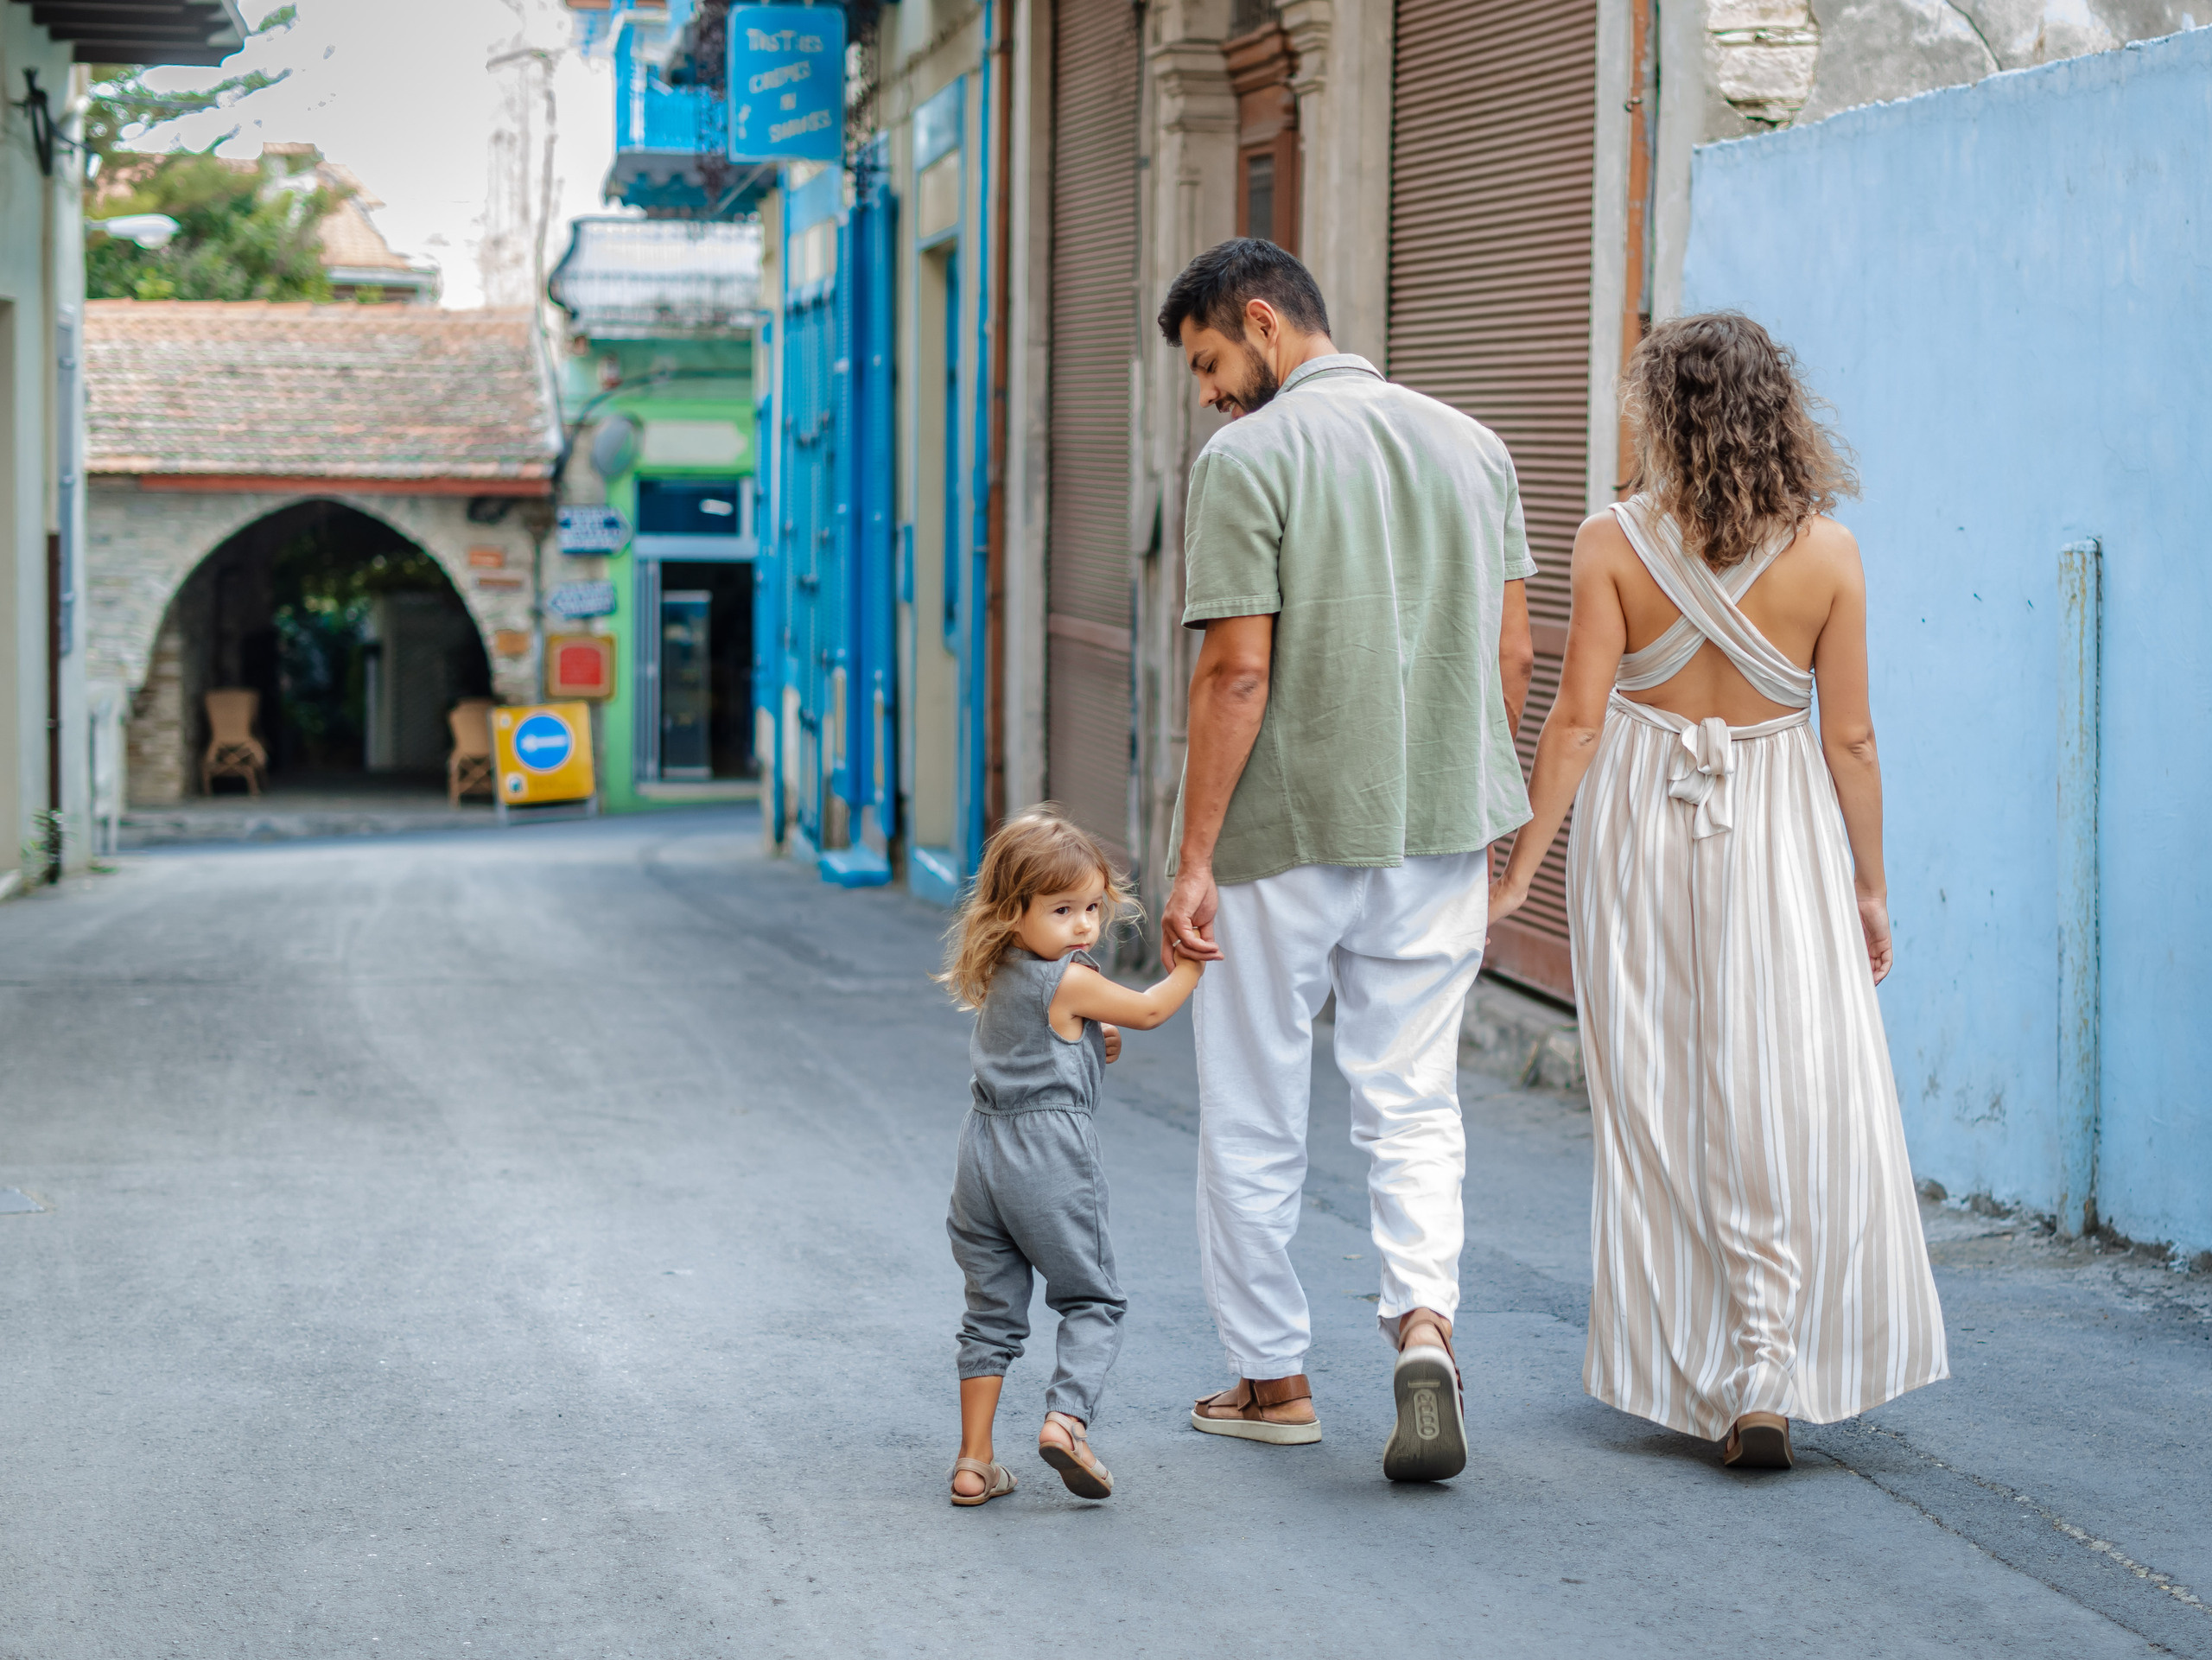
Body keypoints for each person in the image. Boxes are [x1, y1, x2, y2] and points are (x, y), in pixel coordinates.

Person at [1489, 312, 1948, 1471]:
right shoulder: (1829, 554)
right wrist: (1872, 884)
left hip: (1641, 828)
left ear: (1664, 414)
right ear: (1776, 418)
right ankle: (1769, 1362)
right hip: (1781, 831)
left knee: (1656, 1092)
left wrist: (1518, 876)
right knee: (1784, 1089)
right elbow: (1851, 740)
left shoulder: (1608, 541)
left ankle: (1701, 1361)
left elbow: (1581, 722)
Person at [1156, 239, 1536, 1484]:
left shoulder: (1249, 459)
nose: (1207, 391)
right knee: (1413, 1099)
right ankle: (1424, 1327)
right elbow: (1515, 657)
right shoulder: (1474, 446)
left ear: (1263, 326)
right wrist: (1488, 798)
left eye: (1210, 361)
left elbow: (1238, 672)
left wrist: (1192, 856)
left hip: (1284, 834)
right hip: (1436, 825)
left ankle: (1272, 1377)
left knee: (1256, 1106)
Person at [938, 807, 1205, 1506]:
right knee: (1093, 1297)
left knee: (990, 1311)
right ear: (1012, 909)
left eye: (1092, 906)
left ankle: (974, 1460)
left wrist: (1093, 1039)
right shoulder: (1070, 980)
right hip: (1049, 1154)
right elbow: (1147, 1009)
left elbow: (1045, 1038)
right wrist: (1193, 968)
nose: (1085, 924)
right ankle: (1066, 1421)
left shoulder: (1001, 967)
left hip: (981, 1152)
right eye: (1063, 909)